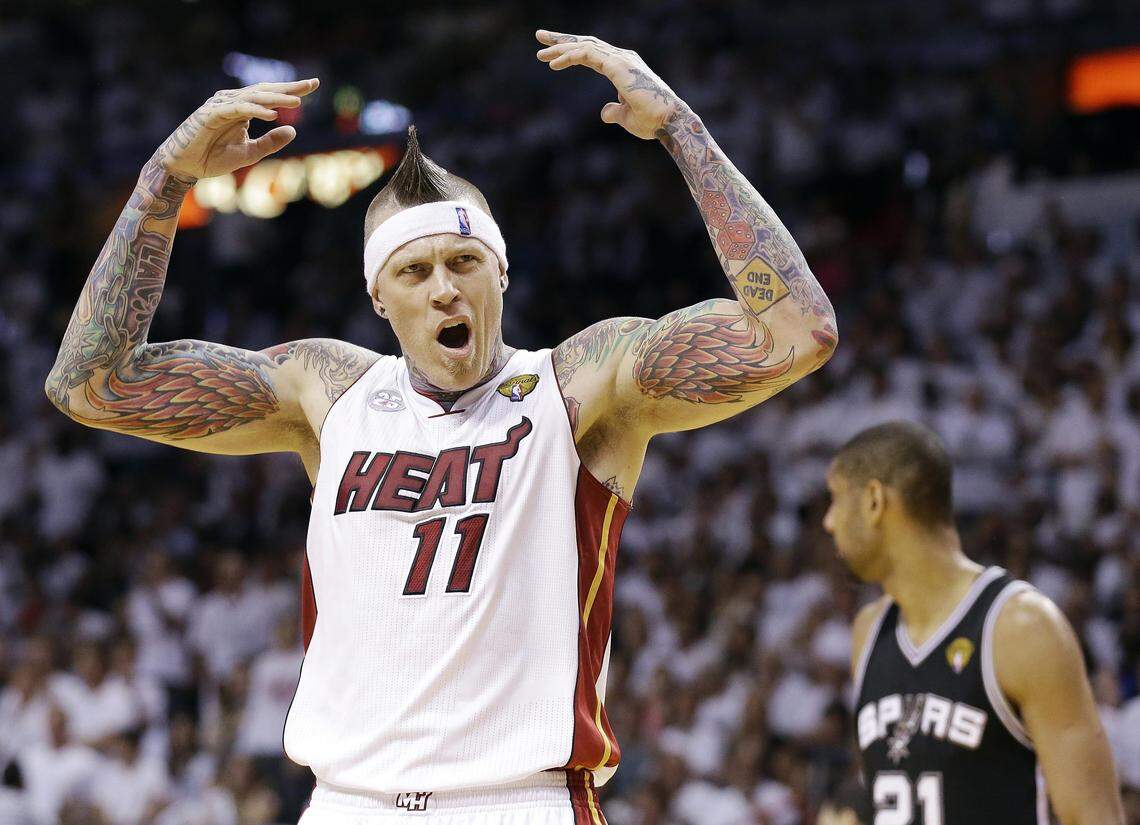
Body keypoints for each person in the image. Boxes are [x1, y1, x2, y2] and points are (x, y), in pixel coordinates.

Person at [45, 29, 837, 824]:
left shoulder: (580, 385)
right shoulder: (326, 392)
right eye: (414, 271)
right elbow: (89, 383)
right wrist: (164, 180)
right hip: (348, 803)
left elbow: (797, 332)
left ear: (501, 271)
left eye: (463, 262)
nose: (444, 290)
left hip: (520, 800)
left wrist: (680, 128)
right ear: (379, 296)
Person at [822, 421, 1124, 824]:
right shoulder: (868, 632)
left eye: (836, 498)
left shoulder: (1020, 626)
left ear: (874, 500)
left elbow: (1093, 816)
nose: (828, 521)